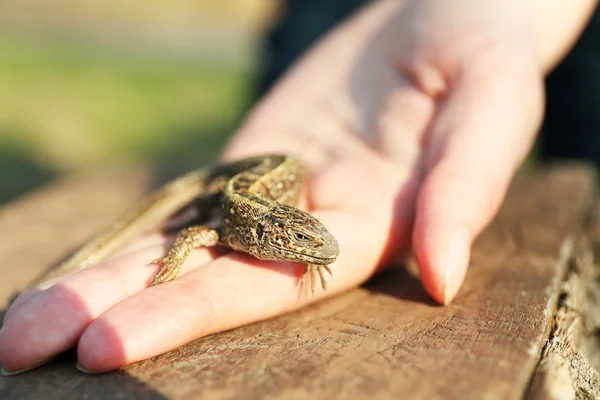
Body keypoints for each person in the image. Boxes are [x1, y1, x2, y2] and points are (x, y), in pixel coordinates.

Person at [0, 0, 598, 375]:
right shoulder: (239, 223)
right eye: (303, 246)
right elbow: (206, 229)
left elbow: (305, 239)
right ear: (268, 234)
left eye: (309, 245)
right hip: (242, 176)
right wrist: (174, 256)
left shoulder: (280, 226)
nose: (314, 253)